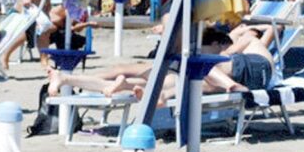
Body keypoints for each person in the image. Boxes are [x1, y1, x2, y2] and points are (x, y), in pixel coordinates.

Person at [48, 26, 276, 103]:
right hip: (252, 78)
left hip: (244, 71)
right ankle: (67, 78)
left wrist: (251, 29)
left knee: (199, 65)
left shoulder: (249, 41)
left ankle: (67, 78)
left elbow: (270, 31)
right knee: (172, 83)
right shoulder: (249, 46)